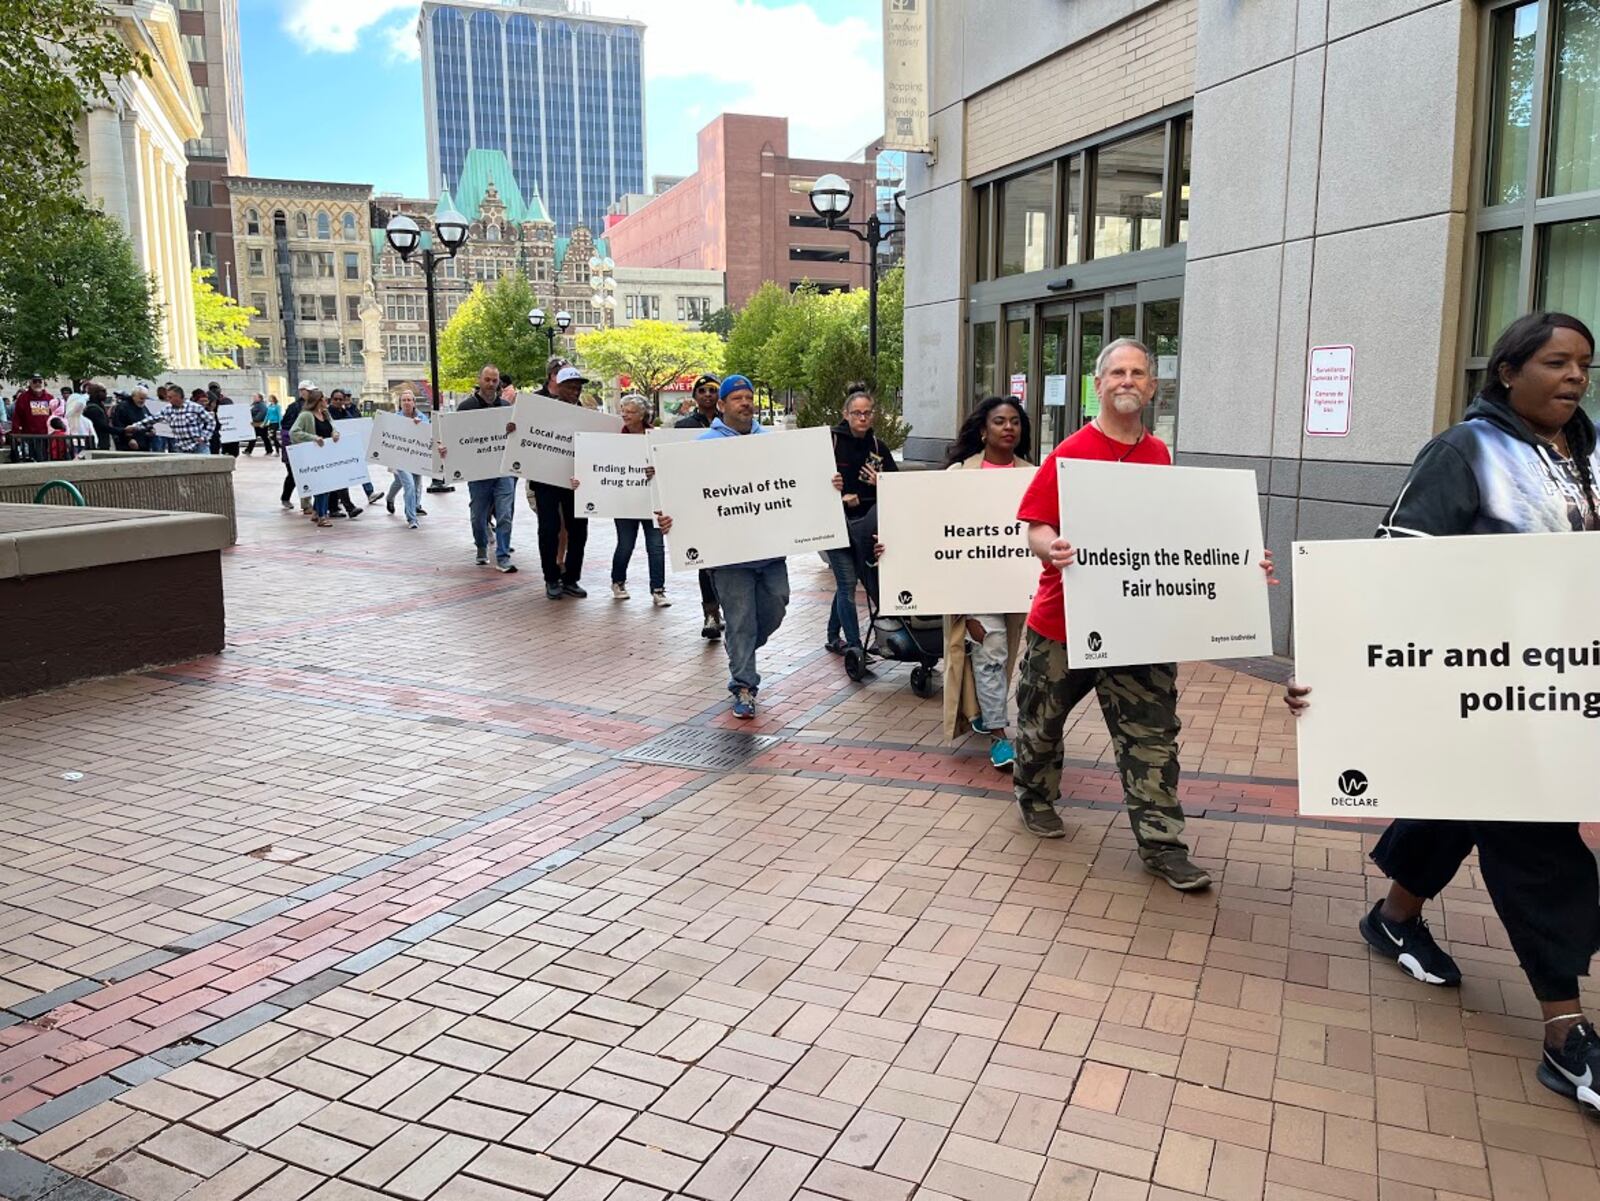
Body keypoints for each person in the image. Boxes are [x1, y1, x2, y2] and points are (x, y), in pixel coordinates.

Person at [1286, 311, 1600, 1116]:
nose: (1574, 378)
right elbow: (1397, 569)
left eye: (1585, 365)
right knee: (1537, 845)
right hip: (1479, 687)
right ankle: (1566, 1033)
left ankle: (1394, 919)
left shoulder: (1591, 454)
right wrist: (1346, 676)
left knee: (1455, 804)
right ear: (1507, 371)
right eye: (1557, 362)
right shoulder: (1466, 452)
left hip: (1558, 689)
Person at [1012, 337, 1275, 889]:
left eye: (1138, 373)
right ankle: (1034, 794)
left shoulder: (1161, 457)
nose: (1128, 381)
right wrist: (1050, 545)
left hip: (1139, 629)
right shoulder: (1070, 453)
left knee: (1151, 738)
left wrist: (1239, 565)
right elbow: (1035, 523)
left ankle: (1163, 845)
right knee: (1041, 726)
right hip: (1062, 625)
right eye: (1117, 373)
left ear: (1152, 387)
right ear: (1099, 385)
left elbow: (1183, 540)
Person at [657, 374, 844, 719]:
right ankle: (744, 685)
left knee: (776, 606)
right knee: (741, 620)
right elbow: (683, 495)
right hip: (729, 557)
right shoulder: (702, 445)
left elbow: (799, 483)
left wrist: (827, 482)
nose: (745, 403)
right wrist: (671, 519)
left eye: (749, 397)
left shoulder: (772, 443)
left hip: (770, 552)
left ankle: (739, 649)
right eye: (737, 398)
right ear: (723, 404)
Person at [941, 397, 1032, 770]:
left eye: (1014, 421)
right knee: (992, 649)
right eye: (999, 421)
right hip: (973, 587)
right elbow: (934, 532)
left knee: (999, 656)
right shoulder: (959, 475)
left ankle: (982, 709)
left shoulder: (1034, 476)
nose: (1008, 427)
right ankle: (998, 736)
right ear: (983, 429)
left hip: (1015, 586)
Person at [826, 384, 898, 678]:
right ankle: (855, 646)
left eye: (867, 413)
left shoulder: (878, 447)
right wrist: (836, 492)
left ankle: (833, 635)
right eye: (857, 413)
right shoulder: (830, 442)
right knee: (846, 584)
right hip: (835, 523)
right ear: (845, 414)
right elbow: (808, 481)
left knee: (849, 580)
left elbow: (898, 487)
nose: (862, 418)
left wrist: (881, 483)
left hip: (866, 525)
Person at [527, 365, 591, 598]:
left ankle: (571, 577)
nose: (576, 391)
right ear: (558, 387)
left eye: (579, 387)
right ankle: (551, 578)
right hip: (546, 480)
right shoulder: (542, 410)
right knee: (549, 529)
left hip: (575, 483)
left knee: (579, 531)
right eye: (571, 387)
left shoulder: (585, 414)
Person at [450, 364, 517, 573]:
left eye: (494, 380)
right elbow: (455, 437)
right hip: (478, 473)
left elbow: (515, 438)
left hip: (502, 470)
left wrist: (514, 430)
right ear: (480, 380)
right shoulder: (466, 407)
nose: (491, 384)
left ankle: (503, 556)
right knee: (478, 515)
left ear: (499, 382)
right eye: (487, 379)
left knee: (505, 514)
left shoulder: (507, 407)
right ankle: (481, 546)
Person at [608, 395, 669, 606]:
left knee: (656, 546)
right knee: (625, 544)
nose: (625, 414)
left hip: (651, 500)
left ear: (642, 415)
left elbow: (668, 467)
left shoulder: (655, 438)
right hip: (625, 500)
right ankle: (618, 582)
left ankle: (658, 589)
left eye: (631, 411)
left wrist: (657, 470)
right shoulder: (614, 439)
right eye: (623, 410)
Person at [676, 373, 724, 639]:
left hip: (727, 501)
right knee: (705, 561)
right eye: (702, 390)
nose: (707, 395)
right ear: (694, 396)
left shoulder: (731, 424)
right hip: (698, 501)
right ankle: (711, 614)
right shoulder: (683, 426)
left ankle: (726, 608)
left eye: (712, 390)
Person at [289, 389, 341, 527]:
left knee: (326, 485)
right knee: (321, 486)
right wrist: (313, 438)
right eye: (323, 399)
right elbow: (294, 432)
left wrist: (335, 433)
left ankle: (317, 512)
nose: (326, 401)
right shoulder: (306, 415)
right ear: (317, 401)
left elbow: (334, 427)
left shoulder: (325, 413)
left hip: (327, 455)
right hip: (313, 456)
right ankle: (322, 516)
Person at [383, 389, 428, 529]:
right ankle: (412, 518)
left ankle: (390, 498)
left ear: (414, 403)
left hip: (416, 458)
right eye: (404, 400)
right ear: (400, 403)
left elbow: (428, 434)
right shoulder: (395, 418)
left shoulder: (422, 417)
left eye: (409, 400)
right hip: (400, 459)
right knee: (409, 485)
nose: (407, 403)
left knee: (405, 483)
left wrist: (420, 425)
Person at [126, 384, 216, 454]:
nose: (168, 399)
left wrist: (205, 436)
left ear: (178, 397)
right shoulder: (168, 409)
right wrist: (135, 426)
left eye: (170, 397)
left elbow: (211, 421)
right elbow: (153, 419)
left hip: (198, 446)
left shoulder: (195, 407)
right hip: (180, 448)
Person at [330, 390, 378, 509]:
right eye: (336, 399)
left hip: (349, 448)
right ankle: (342, 505)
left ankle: (368, 493)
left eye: (341, 399)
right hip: (335, 450)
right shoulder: (328, 413)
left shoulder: (347, 410)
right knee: (340, 478)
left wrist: (349, 407)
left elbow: (356, 423)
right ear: (331, 399)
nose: (339, 401)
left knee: (359, 469)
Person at [280, 386, 311, 512]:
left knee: (307, 474)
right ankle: (285, 497)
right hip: (293, 446)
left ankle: (306, 504)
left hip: (306, 446)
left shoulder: (314, 408)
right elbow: (286, 426)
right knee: (293, 475)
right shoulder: (294, 407)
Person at [9, 374, 55, 459]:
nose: (37, 383)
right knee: (32, 460)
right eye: (35, 381)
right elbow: (17, 417)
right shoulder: (23, 398)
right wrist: (16, 433)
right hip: (29, 437)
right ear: (30, 383)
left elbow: (54, 415)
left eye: (39, 381)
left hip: (47, 437)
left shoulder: (50, 398)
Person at [111, 386, 154, 451]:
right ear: (134, 396)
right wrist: (129, 439)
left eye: (145, 399)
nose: (143, 401)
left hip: (144, 444)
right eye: (141, 398)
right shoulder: (123, 407)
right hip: (128, 445)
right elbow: (118, 425)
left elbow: (148, 419)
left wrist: (151, 429)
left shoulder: (143, 407)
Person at [208, 382, 239, 458]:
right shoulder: (209, 401)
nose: (215, 391)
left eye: (216, 389)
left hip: (227, 431)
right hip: (219, 431)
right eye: (212, 389)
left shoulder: (226, 400)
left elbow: (233, 415)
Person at [81, 384, 113, 451]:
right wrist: (122, 431)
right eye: (103, 391)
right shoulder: (93, 409)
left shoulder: (99, 405)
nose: (106, 393)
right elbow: (103, 426)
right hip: (98, 443)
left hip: (103, 442)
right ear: (96, 393)